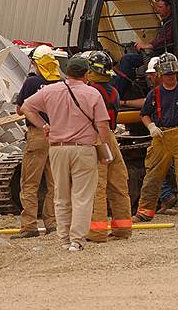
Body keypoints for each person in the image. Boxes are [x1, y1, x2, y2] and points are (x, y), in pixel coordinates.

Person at [21, 55, 112, 251]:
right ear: (86, 74)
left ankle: (63, 238)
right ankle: (76, 240)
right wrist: (105, 148)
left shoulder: (51, 91)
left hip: (57, 148)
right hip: (83, 149)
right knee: (82, 196)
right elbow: (103, 125)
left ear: (66, 72)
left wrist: (44, 125)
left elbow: (26, 107)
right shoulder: (93, 94)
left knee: (61, 195)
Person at [132, 53, 178, 222]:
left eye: (173, 74)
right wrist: (151, 127)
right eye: (168, 74)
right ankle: (145, 211)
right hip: (161, 136)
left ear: (177, 73)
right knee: (153, 174)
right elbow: (145, 114)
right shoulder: (154, 94)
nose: (171, 77)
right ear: (161, 74)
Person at [10, 45, 60, 239]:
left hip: (38, 134)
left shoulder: (32, 82)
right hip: (57, 136)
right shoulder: (60, 82)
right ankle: (52, 222)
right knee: (54, 183)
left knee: (30, 183)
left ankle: (29, 225)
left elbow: (20, 109)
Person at [84, 51, 133, 242]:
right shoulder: (114, 92)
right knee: (118, 184)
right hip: (112, 138)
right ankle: (122, 229)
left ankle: (96, 232)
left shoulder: (91, 92)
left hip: (97, 138)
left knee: (98, 186)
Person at [114, 0, 173, 96]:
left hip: (161, 55)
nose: (157, 10)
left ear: (169, 7)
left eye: (160, 7)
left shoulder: (172, 23)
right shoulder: (166, 22)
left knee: (127, 59)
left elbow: (166, 40)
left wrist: (149, 45)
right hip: (157, 53)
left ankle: (117, 95)